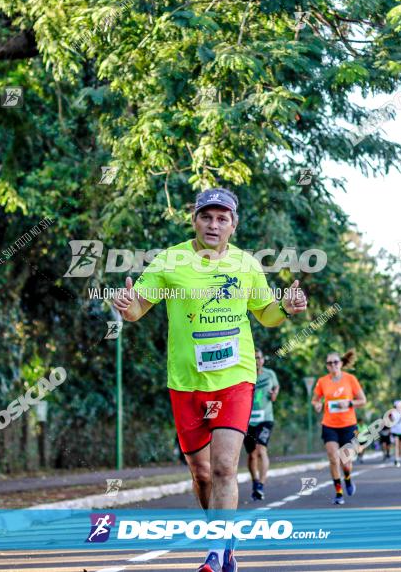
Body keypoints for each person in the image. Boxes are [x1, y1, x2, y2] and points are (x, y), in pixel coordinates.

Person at [112, 187, 307, 572]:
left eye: (222, 218)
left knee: (223, 467)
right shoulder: (170, 260)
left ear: (233, 225)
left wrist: (284, 307)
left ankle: (216, 555)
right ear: (194, 220)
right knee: (201, 475)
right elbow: (137, 310)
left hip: (235, 379)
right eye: (206, 216)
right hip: (185, 383)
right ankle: (223, 538)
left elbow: (265, 314)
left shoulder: (246, 265)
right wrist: (125, 305)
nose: (213, 224)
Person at [311, 350, 366, 505]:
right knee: (333, 459)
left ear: (341, 363)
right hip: (329, 425)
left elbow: (363, 400)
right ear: (327, 366)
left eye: (335, 362)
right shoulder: (322, 381)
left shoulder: (350, 379)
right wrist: (316, 405)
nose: (333, 365)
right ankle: (338, 492)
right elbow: (315, 400)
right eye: (329, 363)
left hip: (348, 425)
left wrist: (349, 403)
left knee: (345, 462)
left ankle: (347, 478)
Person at [245, 349, 279, 501]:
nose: (256, 361)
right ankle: (255, 481)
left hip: (266, 419)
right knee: (252, 454)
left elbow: (276, 387)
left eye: (258, 358)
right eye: (253, 358)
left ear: (263, 360)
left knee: (261, 449)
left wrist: (274, 394)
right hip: (247, 420)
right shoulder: (245, 375)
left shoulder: (269, 374)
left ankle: (261, 485)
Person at [389, 400, 401, 467]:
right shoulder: (392, 412)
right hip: (395, 431)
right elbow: (391, 420)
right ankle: (396, 459)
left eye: (400, 406)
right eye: (397, 406)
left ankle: (400, 458)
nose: (398, 407)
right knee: (396, 445)